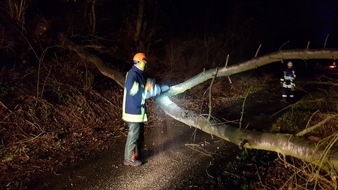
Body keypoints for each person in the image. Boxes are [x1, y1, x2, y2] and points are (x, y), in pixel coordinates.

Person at [122, 52, 169, 167]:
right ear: (138, 63)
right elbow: (133, 90)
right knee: (133, 135)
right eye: (144, 63)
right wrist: (149, 92)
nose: (145, 66)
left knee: (139, 135)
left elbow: (144, 89)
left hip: (138, 111)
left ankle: (139, 154)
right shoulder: (132, 74)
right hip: (133, 111)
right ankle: (128, 159)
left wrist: (153, 88)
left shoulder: (140, 75)